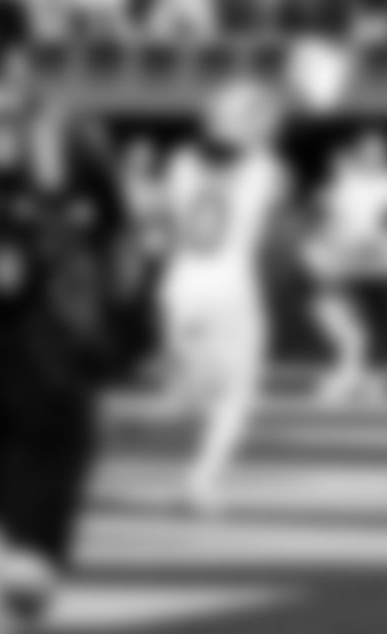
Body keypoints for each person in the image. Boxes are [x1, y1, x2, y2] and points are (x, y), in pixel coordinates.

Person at [0, 106, 127, 629]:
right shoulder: (20, 212)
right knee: (17, 546)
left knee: (13, 538)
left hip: (36, 378)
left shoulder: (62, 214)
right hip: (30, 380)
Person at [159, 77, 288, 515]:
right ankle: (201, 483)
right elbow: (254, 158)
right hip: (230, 291)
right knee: (237, 397)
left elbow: (219, 153)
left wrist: (242, 117)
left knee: (203, 396)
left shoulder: (179, 163)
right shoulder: (266, 169)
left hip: (179, 289)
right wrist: (258, 120)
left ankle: (196, 469)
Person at [302, 133, 387, 408]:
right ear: (360, 155)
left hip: (382, 266)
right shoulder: (344, 185)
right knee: (349, 328)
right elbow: (329, 220)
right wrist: (333, 245)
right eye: (369, 152)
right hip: (347, 264)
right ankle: (346, 382)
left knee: (376, 330)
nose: (374, 156)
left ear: (386, 155)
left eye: (380, 152)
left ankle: (365, 382)